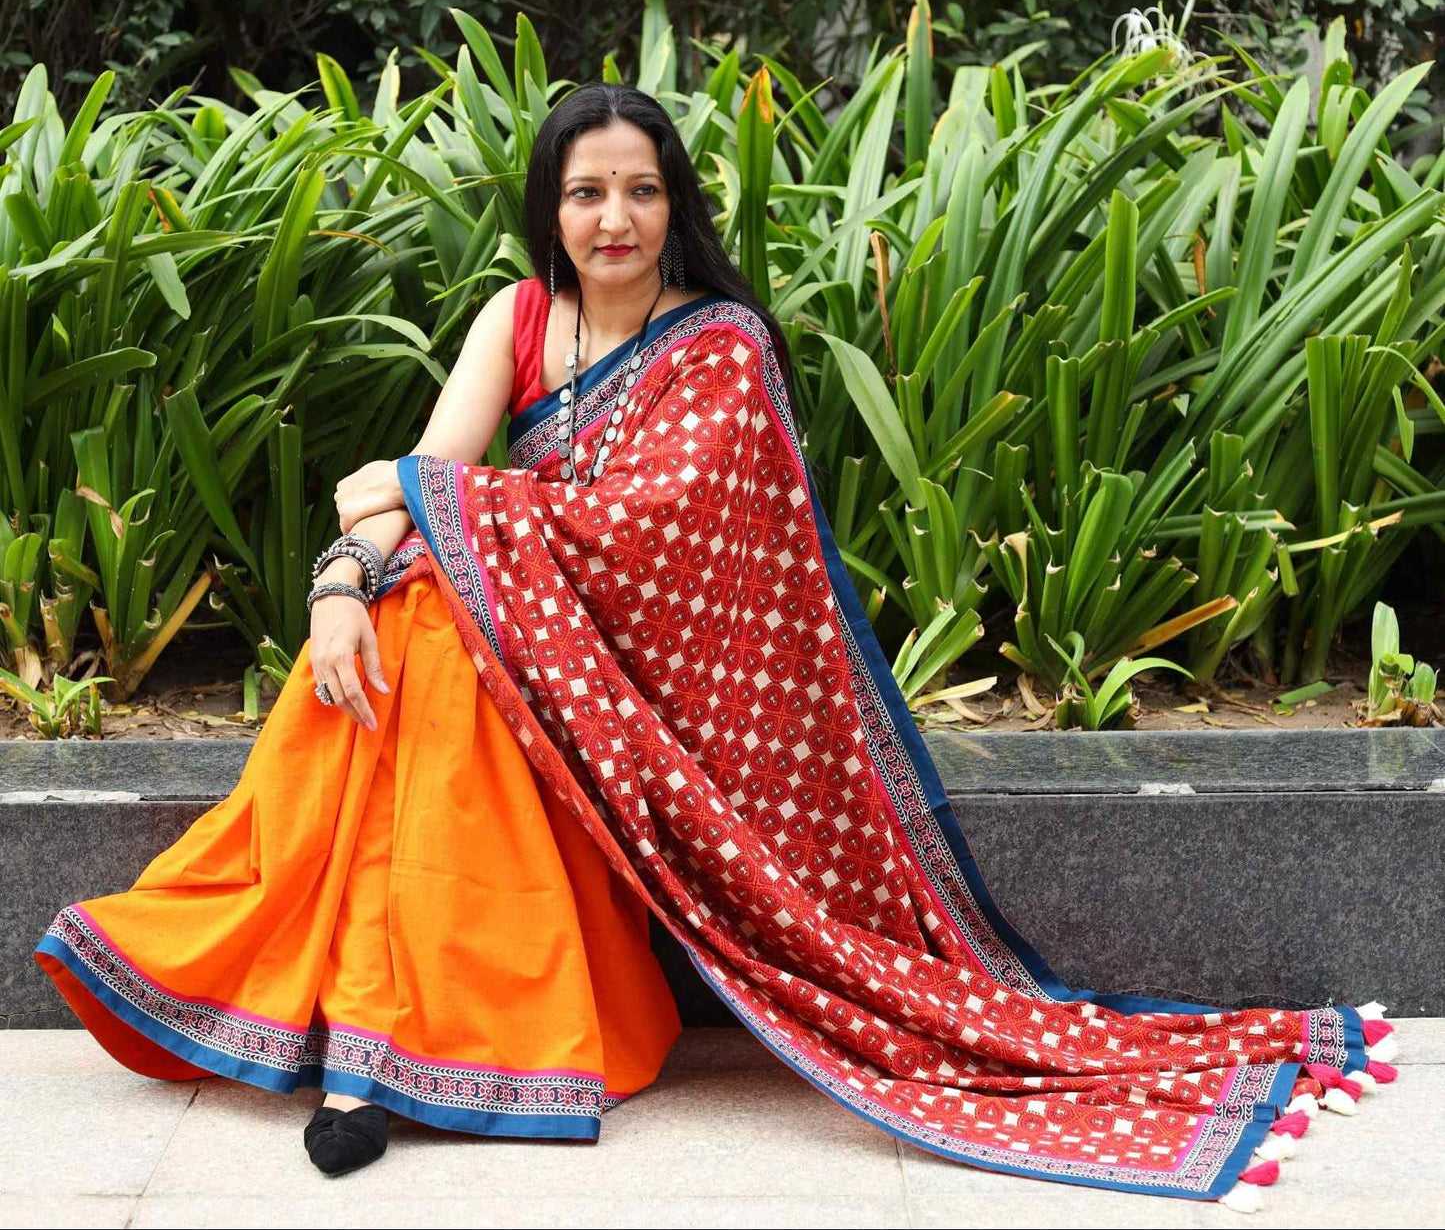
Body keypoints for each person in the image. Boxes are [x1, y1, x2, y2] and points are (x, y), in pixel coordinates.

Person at [34, 83, 1396, 1207]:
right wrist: (342, 583)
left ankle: (364, 1041)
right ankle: (383, 1029)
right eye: (584, 193)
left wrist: (409, 510)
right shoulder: (515, 319)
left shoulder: (720, 347)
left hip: (640, 686)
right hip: (522, 645)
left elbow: (647, 542)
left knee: (440, 628)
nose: (612, 217)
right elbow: (425, 482)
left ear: (675, 204)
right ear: (548, 213)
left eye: (637, 189)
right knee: (413, 627)